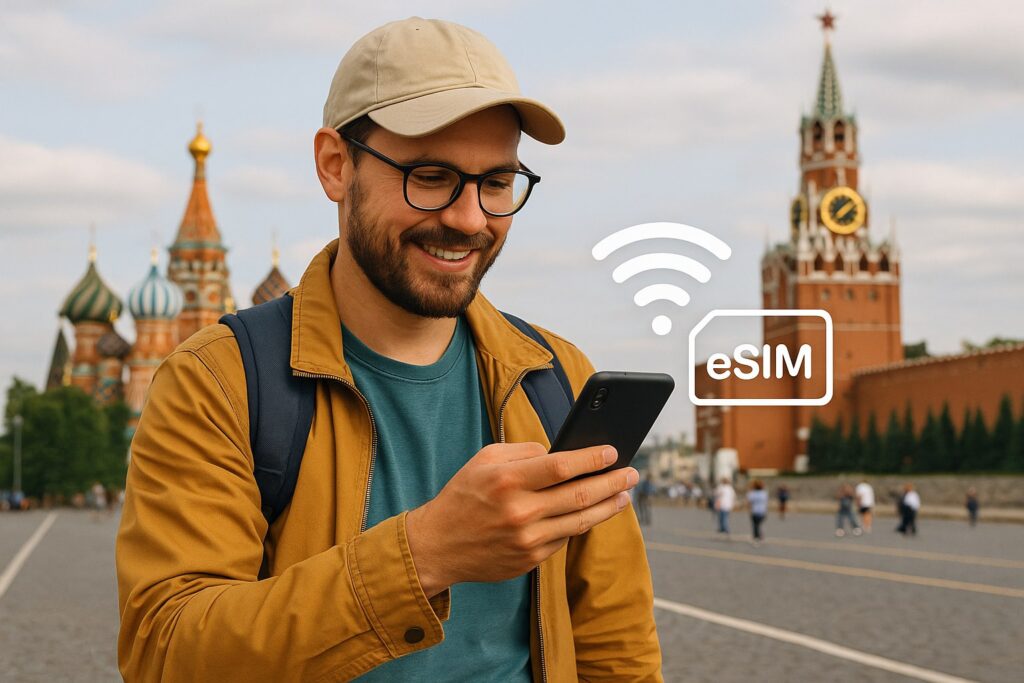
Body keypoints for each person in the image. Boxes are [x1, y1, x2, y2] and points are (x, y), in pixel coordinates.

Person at [115, 18, 660, 683]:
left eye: (496, 182)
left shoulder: (553, 377)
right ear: (335, 165)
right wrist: (425, 551)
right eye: (429, 176)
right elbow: (165, 651)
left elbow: (615, 648)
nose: (468, 219)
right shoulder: (219, 381)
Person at [746, 479, 769, 545]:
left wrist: (749, 510)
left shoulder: (752, 493)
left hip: (755, 511)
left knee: (755, 525)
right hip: (762, 511)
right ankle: (760, 536)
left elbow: (749, 503)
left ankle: (756, 537)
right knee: (759, 525)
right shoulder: (764, 493)